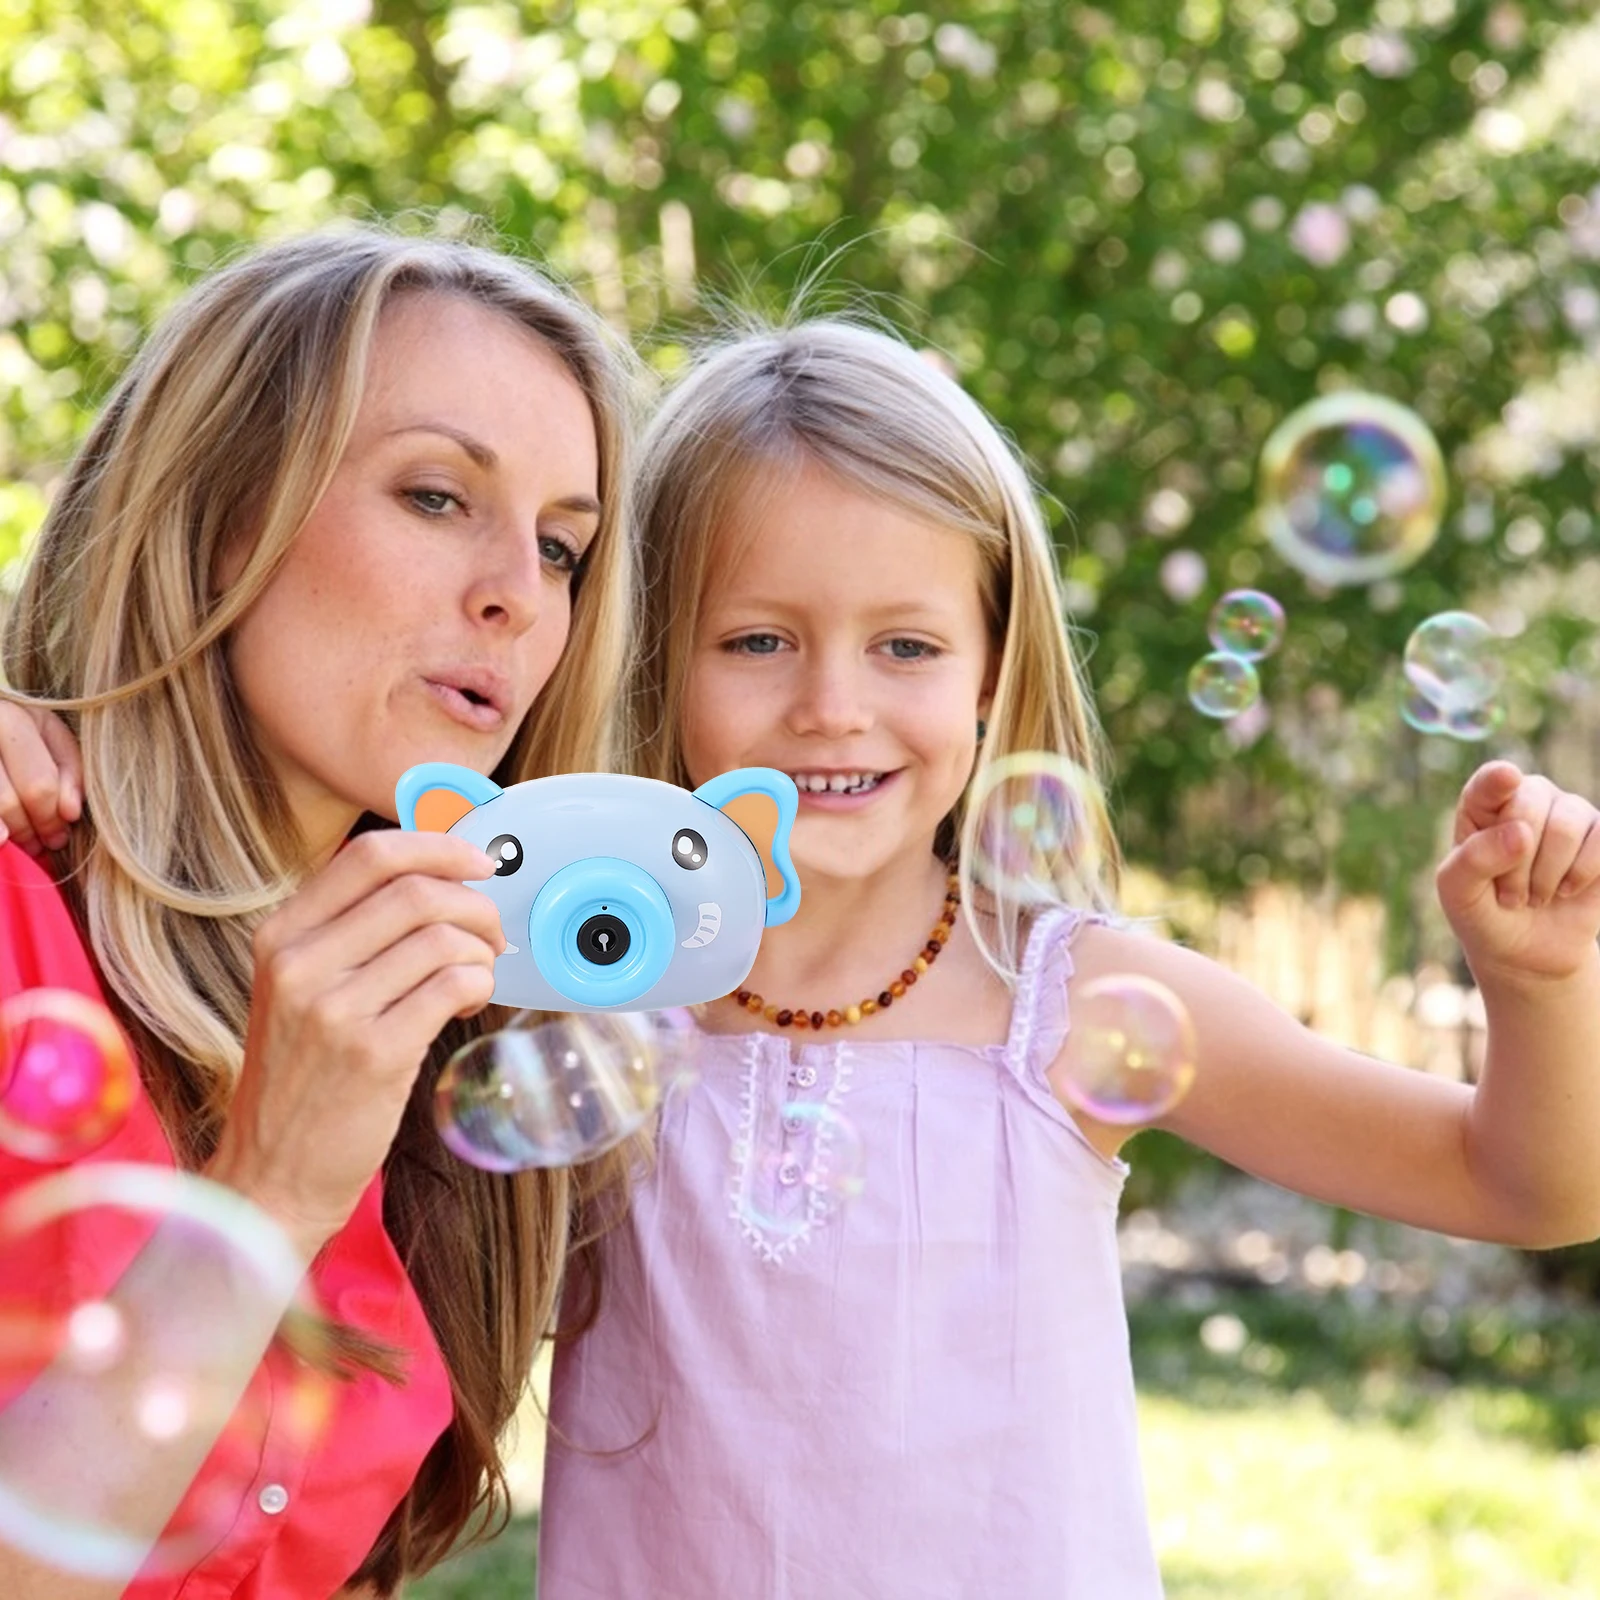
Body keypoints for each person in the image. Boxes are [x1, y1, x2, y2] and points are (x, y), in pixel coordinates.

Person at [11, 321, 1600, 1596]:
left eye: (906, 646)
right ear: (648, 662)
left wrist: (1536, 990)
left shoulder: (1081, 999)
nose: (833, 705)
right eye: (757, 641)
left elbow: (1522, 1185)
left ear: (993, 675)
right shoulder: (556, 986)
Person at [0, 223, 640, 1599]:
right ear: (213, 504)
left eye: (563, 547)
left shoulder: (411, 1035)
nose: (516, 596)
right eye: (432, 495)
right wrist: (272, 1190)